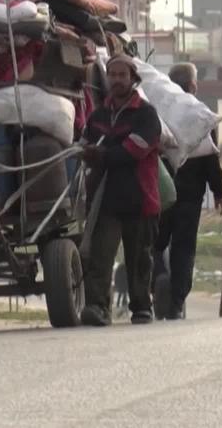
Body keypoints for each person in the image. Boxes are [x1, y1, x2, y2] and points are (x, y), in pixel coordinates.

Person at [79, 54, 162, 326]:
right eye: (112, 75)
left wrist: (102, 154)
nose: (116, 80)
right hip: (106, 199)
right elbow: (84, 142)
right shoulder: (98, 115)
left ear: (132, 79)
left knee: (139, 258)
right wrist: (87, 152)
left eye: (121, 75)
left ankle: (141, 306)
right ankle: (98, 307)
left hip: (139, 197)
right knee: (101, 256)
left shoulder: (146, 114)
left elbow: (137, 148)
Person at [152, 62, 222, 320]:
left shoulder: (157, 109)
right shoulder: (202, 115)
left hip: (159, 190)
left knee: (154, 243)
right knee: (184, 247)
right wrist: (219, 191)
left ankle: (158, 277)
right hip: (190, 195)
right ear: (193, 85)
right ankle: (176, 301)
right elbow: (210, 159)